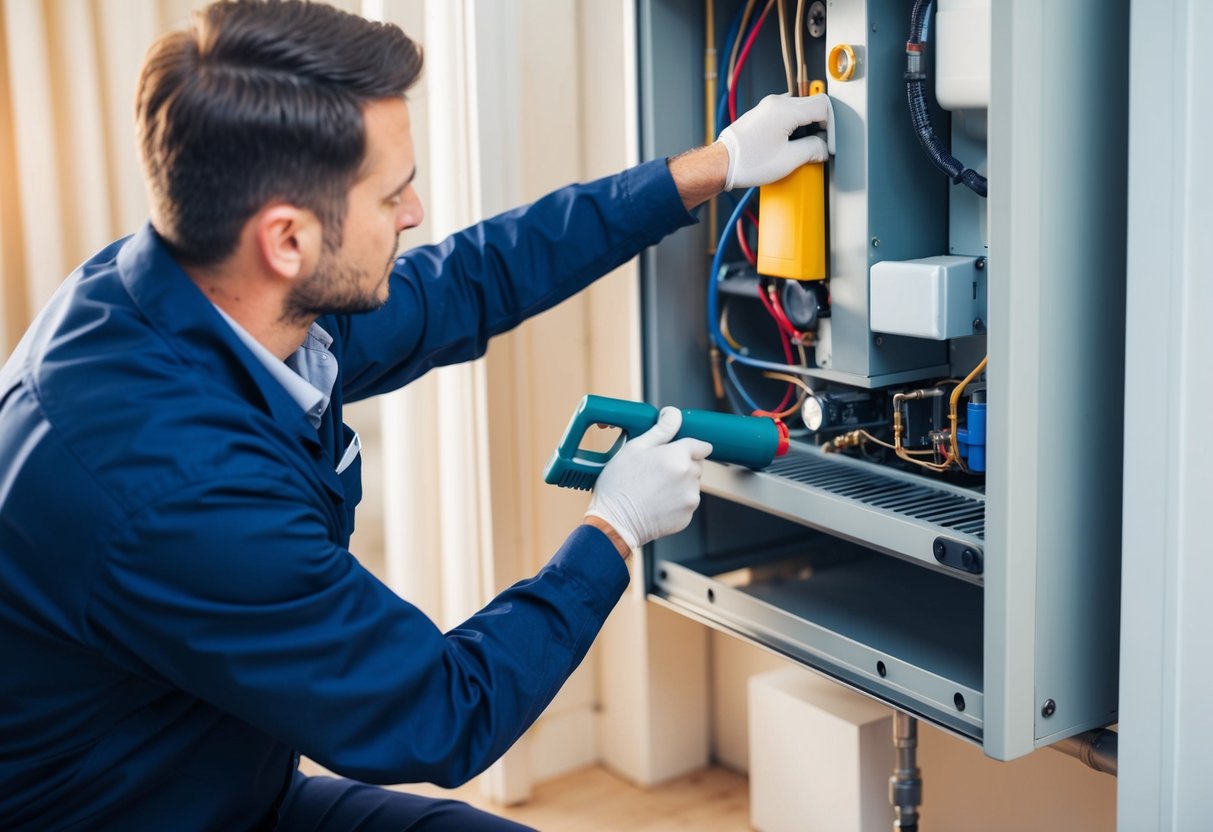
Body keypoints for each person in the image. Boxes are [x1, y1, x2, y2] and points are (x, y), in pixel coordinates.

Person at [0, 1, 832, 829]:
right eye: (392, 194)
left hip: (212, 775)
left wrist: (711, 167)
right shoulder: (174, 490)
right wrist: (612, 530)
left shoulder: (199, 290)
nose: (414, 214)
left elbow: (466, 281)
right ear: (286, 238)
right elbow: (441, 712)